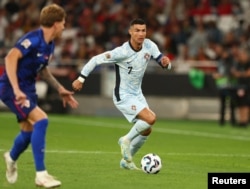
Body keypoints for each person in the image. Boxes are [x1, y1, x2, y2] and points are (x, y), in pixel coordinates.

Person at [72, 18, 171, 170]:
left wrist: (166, 63)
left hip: (138, 94)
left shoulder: (149, 45)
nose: (141, 34)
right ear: (130, 32)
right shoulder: (122, 52)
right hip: (123, 95)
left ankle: (127, 161)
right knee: (151, 118)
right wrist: (81, 78)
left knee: (147, 129)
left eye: (143, 30)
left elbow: (163, 62)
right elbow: (95, 59)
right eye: (137, 30)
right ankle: (125, 140)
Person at [0, 4, 78, 188]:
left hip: (28, 89)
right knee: (42, 120)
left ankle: (10, 157)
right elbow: (10, 58)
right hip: (12, 89)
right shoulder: (33, 39)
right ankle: (41, 175)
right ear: (56, 24)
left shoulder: (49, 45)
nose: (65, 27)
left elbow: (42, 71)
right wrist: (17, 89)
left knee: (27, 133)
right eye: (63, 23)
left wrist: (59, 89)